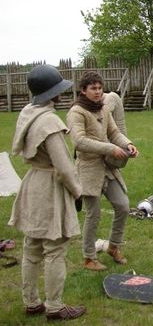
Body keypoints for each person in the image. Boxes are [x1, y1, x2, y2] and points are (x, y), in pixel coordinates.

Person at [9, 64, 86, 321]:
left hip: (32, 182)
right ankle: (54, 306)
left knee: (31, 246)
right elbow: (63, 167)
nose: (61, 95)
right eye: (57, 90)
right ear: (50, 93)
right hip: (49, 185)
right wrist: (77, 192)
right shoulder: (48, 120)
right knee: (55, 248)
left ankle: (31, 302)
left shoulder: (28, 112)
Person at [67, 71, 139, 271]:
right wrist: (110, 149)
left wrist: (128, 144)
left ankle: (113, 247)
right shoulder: (76, 112)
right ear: (83, 90)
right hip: (88, 169)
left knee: (123, 206)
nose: (98, 92)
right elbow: (79, 142)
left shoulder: (103, 108)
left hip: (108, 167)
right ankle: (89, 257)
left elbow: (114, 132)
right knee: (94, 214)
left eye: (100, 88)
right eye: (93, 88)